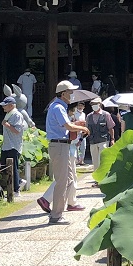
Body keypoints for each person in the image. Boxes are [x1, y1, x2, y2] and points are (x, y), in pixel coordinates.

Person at [41, 79, 89, 223]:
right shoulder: (58, 107)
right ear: (63, 94)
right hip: (59, 145)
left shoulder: (58, 106)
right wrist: (82, 128)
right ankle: (56, 215)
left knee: (67, 179)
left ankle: (57, 212)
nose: (72, 95)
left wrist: (76, 125)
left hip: (61, 145)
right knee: (62, 181)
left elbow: (65, 125)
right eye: (70, 92)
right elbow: (67, 126)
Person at [0, 95, 27, 193]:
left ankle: (16, 190)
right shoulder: (8, 114)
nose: (3, 107)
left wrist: (7, 124)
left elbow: (17, 130)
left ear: (11, 105)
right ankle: (19, 182)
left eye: (5, 105)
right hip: (6, 145)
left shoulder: (17, 115)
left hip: (14, 146)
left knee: (13, 168)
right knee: (3, 167)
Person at [85, 99, 118, 168]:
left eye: (95, 104)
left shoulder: (106, 114)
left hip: (103, 140)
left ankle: (103, 174)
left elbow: (111, 128)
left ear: (99, 104)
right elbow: (86, 128)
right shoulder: (89, 116)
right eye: (92, 104)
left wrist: (112, 139)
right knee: (95, 161)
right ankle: (96, 174)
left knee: (102, 160)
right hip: (92, 141)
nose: (94, 106)